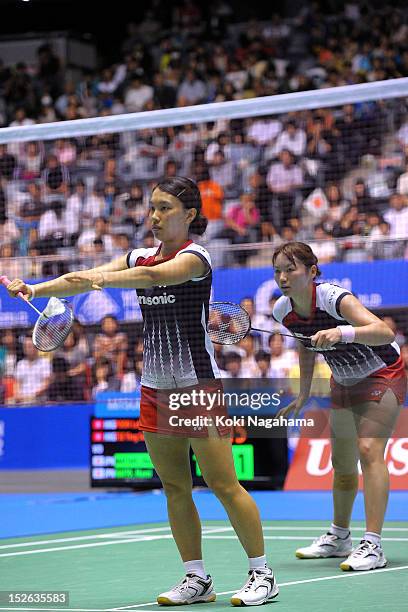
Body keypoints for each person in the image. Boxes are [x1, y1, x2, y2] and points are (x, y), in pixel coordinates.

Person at [6, 176, 279, 606]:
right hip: (154, 387)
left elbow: (150, 277)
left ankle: (262, 573)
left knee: (224, 484)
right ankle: (196, 578)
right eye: (152, 207)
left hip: (196, 386)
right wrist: (35, 289)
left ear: (189, 214)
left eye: (165, 208)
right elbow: (85, 278)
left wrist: (100, 278)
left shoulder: (196, 259)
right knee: (174, 486)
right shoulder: (138, 255)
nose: (154, 215)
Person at [272, 241, 406, 571]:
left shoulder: (334, 298)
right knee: (342, 463)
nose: (283, 277)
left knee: (369, 449)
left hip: (382, 373)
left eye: (291, 270)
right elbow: (305, 346)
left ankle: (372, 545)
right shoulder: (282, 310)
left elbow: (382, 331)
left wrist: (341, 333)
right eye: (278, 271)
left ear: (312, 272)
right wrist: (303, 395)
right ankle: (339, 536)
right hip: (343, 380)